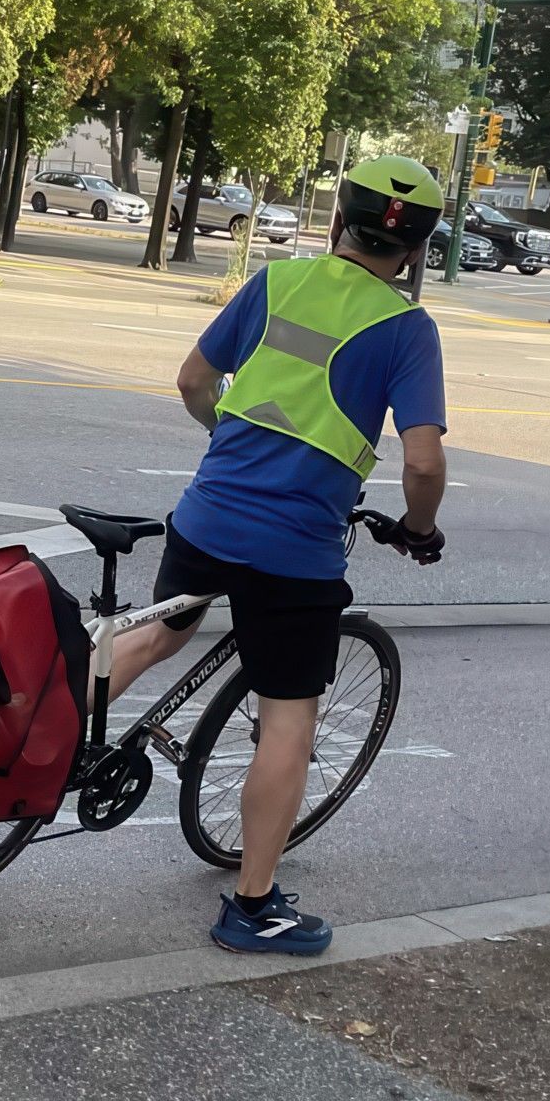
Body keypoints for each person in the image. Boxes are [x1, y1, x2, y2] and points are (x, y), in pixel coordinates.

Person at [107, 155, 448, 956]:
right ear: (416, 253)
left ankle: (49, 745)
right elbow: (424, 463)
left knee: (162, 630)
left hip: (208, 514)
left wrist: (227, 442)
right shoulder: (407, 328)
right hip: (294, 551)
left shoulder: (274, 283)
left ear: (337, 222)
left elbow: (196, 381)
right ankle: (253, 905)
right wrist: (421, 528)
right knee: (288, 719)